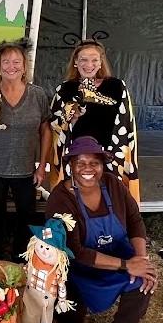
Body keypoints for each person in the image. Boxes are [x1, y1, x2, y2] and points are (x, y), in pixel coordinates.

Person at [46, 136, 156, 323]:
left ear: (102, 165)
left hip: (115, 254)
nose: (88, 169)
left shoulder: (114, 184)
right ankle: (72, 298)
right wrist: (127, 265)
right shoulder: (60, 199)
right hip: (77, 269)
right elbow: (75, 252)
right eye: (80, 162)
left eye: (94, 162)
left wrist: (141, 261)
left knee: (143, 281)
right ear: (71, 166)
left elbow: (136, 222)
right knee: (71, 322)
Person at [0, 39, 51, 261]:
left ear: (24, 66)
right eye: (6, 62)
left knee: (26, 214)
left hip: (26, 169)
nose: (11, 66)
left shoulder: (37, 95)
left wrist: (42, 166)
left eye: (16, 62)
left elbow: (45, 130)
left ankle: (21, 255)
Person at [49, 39, 140, 202]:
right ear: (76, 62)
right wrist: (71, 120)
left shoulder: (117, 87)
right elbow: (56, 129)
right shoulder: (64, 89)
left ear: (100, 63)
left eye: (94, 60)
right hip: (77, 159)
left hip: (109, 159)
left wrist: (115, 159)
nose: (88, 64)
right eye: (83, 59)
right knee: (76, 204)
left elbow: (126, 125)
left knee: (108, 202)